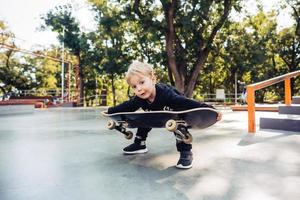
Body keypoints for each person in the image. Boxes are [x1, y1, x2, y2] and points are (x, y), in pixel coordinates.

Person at [106, 60, 222, 169]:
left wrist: (209, 109)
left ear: (153, 79)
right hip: (155, 112)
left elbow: (186, 102)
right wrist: (111, 110)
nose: (139, 89)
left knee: (178, 125)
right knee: (144, 117)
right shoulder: (139, 98)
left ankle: (186, 152)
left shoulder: (166, 94)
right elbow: (127, 106)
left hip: (175, 109)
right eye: (134, 86)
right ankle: (140, 144)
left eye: (142, 82)